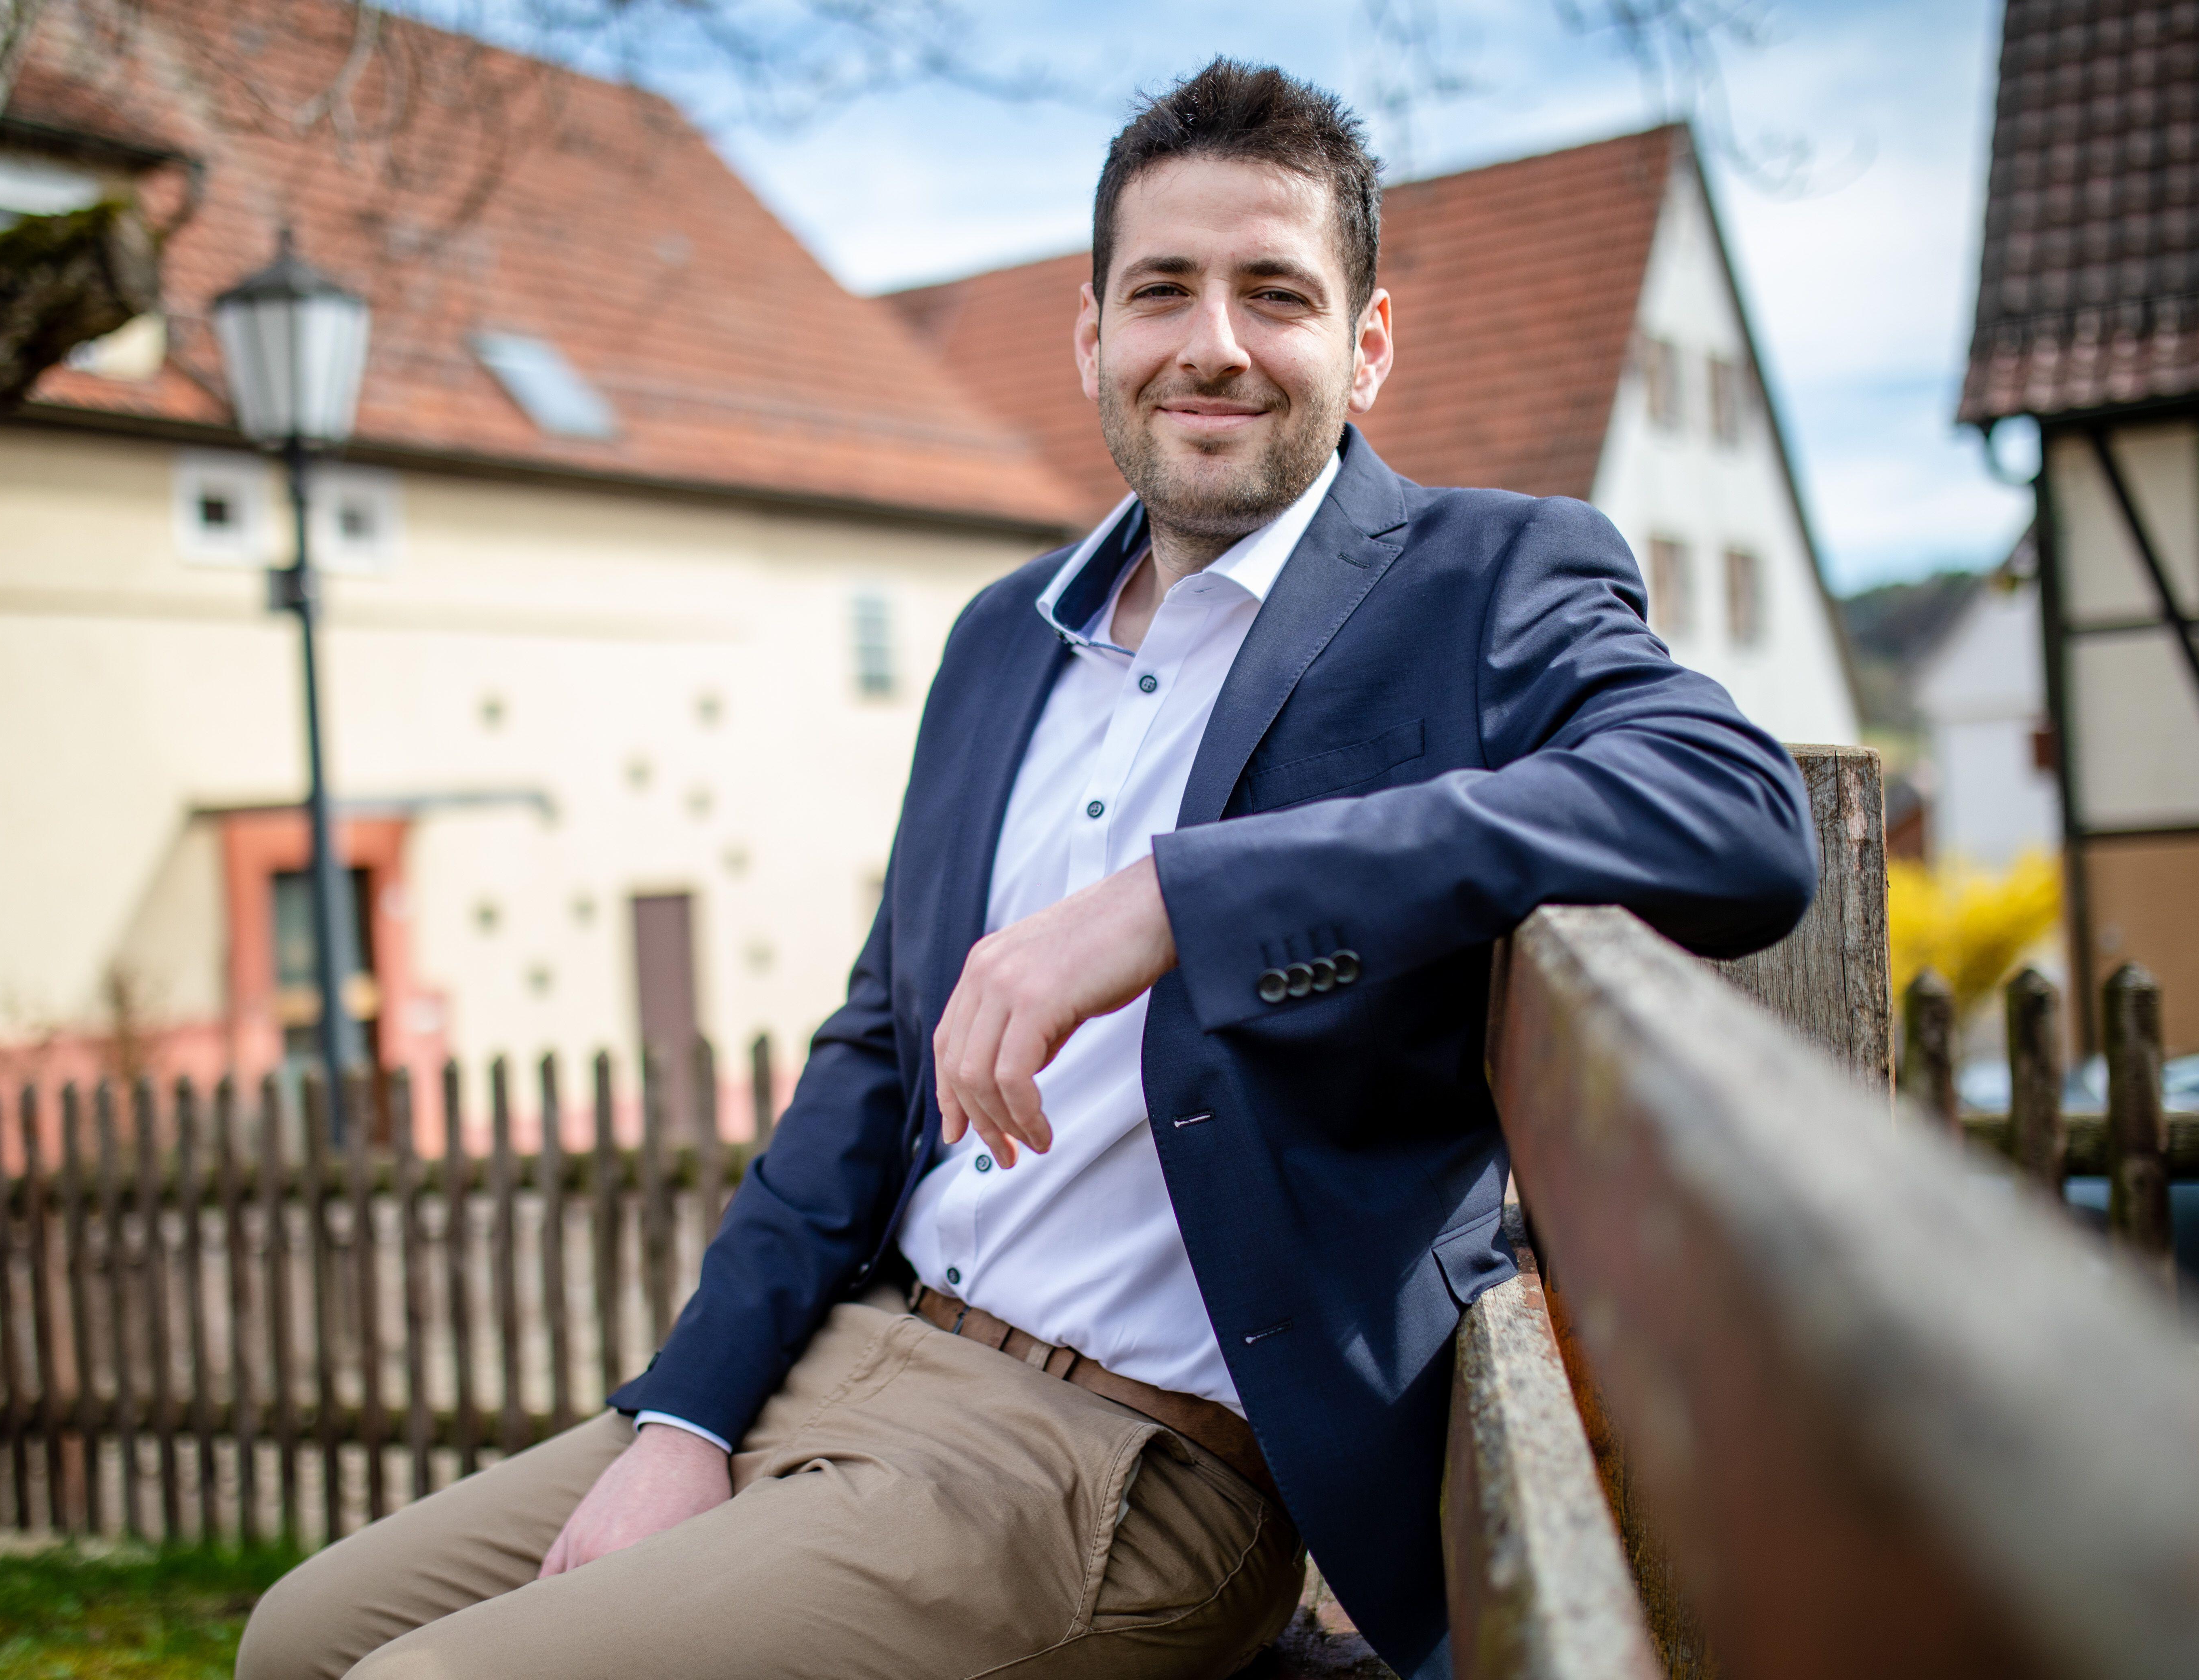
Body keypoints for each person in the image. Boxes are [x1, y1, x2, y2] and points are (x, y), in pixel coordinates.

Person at [238, 57, 1815, 1680]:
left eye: (1276, 293)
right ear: (1092, 337)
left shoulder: (1481, 579)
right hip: (852, 1352)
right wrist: (688, 1412)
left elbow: (1735, 813)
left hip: (1121, 1459)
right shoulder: (1001, 637)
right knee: (299, 1638)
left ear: (1367, 343)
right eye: (1162, 291)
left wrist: (1179, 899)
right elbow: (873, 1051)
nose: (1213, 342)